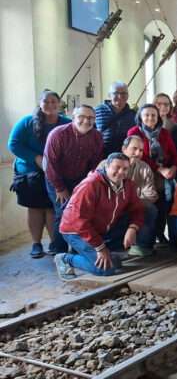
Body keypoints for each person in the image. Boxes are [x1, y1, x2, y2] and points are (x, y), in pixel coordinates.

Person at [54, 153, 145, 279]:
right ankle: (65, 258)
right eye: (116, 167)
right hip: (75, 231)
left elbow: (137, 209)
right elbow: (79, 221)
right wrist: (100, 247)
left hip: (99, 229)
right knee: (106, 270)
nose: (121, 172)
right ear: (106, 166)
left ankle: (90, 253)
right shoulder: (90, 185)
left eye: (125, 169)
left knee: (116, 262)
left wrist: (132, 228)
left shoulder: (128, 185)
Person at [8, 90, 70, 258]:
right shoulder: (27, 122)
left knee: (52, 209)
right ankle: (36, 243)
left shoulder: (66, 123)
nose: (50, 104)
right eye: (46, 101)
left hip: (56, 173)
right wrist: (35, 158)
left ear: (59, 103)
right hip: (31, 172)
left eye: (53, 101)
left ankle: (53, 242)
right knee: (35, 208)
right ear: (40, 103)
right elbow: (13, 144)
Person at [44, 105, 103, 254]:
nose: (86, 121)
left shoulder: (96, 136)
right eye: (82, 117)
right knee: (63, 212)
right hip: (56, 178)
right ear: (73, 117)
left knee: (81, 213)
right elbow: (49, 164)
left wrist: (89, 184)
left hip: (80, 179)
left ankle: (78, 248)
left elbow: (95, 163)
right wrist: (60, 188)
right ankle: (59, 250)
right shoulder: (58, 134)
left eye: (90, 118)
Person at [126, 104, 177, 243]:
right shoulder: (134, 132)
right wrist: (159, 169)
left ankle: (160, 234)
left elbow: (174, 154)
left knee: (163, 204)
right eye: (146, 115)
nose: (150, 117)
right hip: (142, 172)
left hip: (165, 174)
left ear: (158, 117)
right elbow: (139, 156)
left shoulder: (164, 133)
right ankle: (146, 239)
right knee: (150, 206)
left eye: (153, 115)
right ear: (140, 117)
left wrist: (173, 167)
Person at [97, 136, 159, 257]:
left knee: (150, 208)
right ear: (124, 149)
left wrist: (129, 201)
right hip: (107, 206)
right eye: (134, 149)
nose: (138, 153)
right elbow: (98, 190)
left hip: (131, 205)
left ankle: (142, 246)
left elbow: (151, 195)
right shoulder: (106, 164)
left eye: (141, 150)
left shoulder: (144, 168)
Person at [95, 81, 136, 157]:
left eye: (123, 93)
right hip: (101, 155)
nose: (120, 96)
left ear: (127, 96)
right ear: (109, 95)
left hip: (124, 156)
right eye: (116, 93)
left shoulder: (133, 114)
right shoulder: (97, 111)